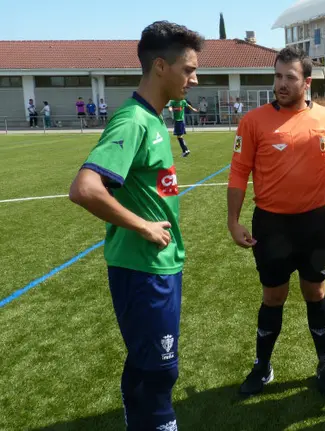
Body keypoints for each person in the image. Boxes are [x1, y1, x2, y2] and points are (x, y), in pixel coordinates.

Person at [67, 21, 203, 431]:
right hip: (143, 269)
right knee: (160, 373)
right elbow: (85, 188)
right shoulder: (133, 121)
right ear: (160, 66)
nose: (194, 80)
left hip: (157, 266)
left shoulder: (155, 118)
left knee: (147, 366)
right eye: (188, 70)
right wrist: (143, 226)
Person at [227, 46, 325, 397]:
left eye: (289, 78)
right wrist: (233, 221)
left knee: (315, 292)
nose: (280, 83)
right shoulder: (253, 121)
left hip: (313, 223)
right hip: (272, 225)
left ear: (306, 82)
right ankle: (262, 366)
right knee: (273, 296)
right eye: (277, 76)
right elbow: (238, 173)